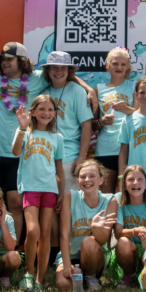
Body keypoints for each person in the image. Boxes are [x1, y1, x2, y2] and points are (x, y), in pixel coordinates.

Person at [0, 42, 51, 243]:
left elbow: (64, 76)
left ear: (22, 61)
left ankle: (14, 251)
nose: (4, 63)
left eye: (9, 59)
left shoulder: (37, 79)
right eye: (2, 59)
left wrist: (89, 91)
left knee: (16, 204)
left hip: (18, 154)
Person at [13, 94, 66, 292]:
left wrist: (61, 192)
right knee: (33, 231)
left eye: (50, 109)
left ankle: (40, 280)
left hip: (50, 190)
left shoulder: (57, 137)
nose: (46, 113)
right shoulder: (25, 132)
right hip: (30, 188)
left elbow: (59, 168)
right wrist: (21, 128)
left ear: (55, 114)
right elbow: (15, 151)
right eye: (42, 109)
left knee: (45, 235)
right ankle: (28, 272)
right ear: (33, 112)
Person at [55, 160, 118, 292]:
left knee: (88, 241)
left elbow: (103, 240)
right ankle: (78, 277)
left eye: (92, 176)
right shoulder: (69, 197)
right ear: (78, 181)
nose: (87, 180)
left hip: (95, 256)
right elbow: (64, 234)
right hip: (71, 255)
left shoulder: (110, 201)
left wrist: (95, 228)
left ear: (101, 180)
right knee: (64, 285)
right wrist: (67, 264)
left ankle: (90, 276)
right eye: (83, 177)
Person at [42, 51, 95, 189]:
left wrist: (81, 158)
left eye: (63, 68)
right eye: (54, 67)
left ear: (69, 70)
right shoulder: (43, 91)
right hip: (44, 157)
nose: (59, 71)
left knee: (67, 200)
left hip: (69, 158)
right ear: (48, 70)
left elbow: (86, 126)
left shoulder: (77, 91)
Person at [96, 47, 137, 191]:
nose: (119, 67)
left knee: (126, 194)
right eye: (115, 63)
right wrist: (102, 121)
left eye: (123, 64)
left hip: (129, 148)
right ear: (107, 65)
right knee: (105, 195)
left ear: (128, 67)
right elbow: (92, 125)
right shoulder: (98, 89)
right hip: (105, 149)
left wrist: (127, 110)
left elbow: (142, 115)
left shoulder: (135, 86)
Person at [113, 165, 146, 288]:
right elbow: (117, 233)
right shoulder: (119, 201)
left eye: (140, 179)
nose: (135, 183)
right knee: (122, 242)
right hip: (128, 250)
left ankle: (142, 273)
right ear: (124, 185)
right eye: (130, 179)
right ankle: (128, 275)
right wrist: (135, 231)